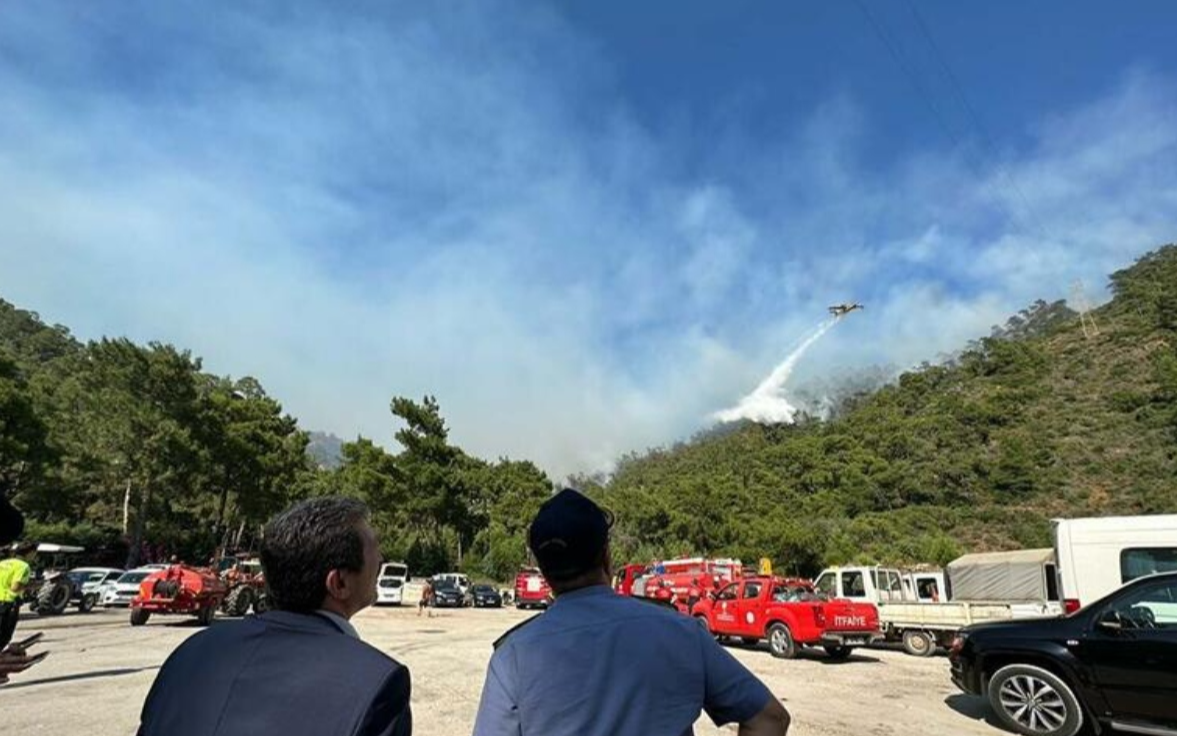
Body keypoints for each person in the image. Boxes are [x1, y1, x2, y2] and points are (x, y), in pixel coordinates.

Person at [472, 489, 790, 736]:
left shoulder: (513, 656)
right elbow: (769, 718)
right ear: (607, 557)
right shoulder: (681, 632)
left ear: (543, 572)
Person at [138, 497, 412, 736]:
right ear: (339, 583)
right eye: (375, 547)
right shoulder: (376, 684)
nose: (381, 558)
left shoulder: (191, 654)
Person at [0, 541, 37, 651]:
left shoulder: (2, 563)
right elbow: (15, 588)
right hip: (7, 604)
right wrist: (31, 587)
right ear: (30, 553)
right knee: (3, 636)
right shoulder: (23, 566)